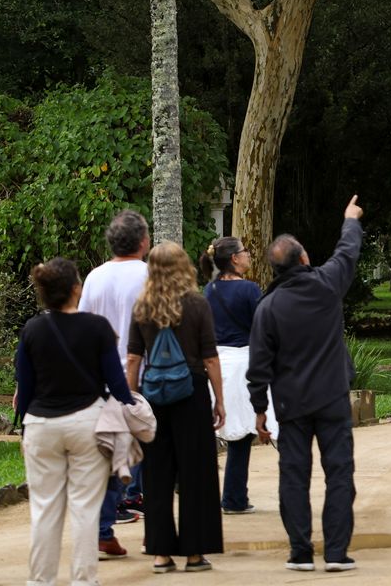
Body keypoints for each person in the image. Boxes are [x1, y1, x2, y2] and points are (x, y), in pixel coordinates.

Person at [247, 195, 364, 573]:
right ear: (302, 259)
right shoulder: (327, 285)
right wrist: (350, 219)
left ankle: (300, 552)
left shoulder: (268, 308)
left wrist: (259, 409)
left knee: (294, 476)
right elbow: (347, 252)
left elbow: (259, 364)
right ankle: (335, 553)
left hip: (290, 405)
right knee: (340, 473)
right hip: (331, 397)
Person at [14, 258, 139, 586]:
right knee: (85, 508)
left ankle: (40, 580)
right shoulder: (97, 327)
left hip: (41, 423)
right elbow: (117, 382)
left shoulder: (32, 329)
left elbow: (24, 388)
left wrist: (24, 429)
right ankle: (84, 579)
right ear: (75, 289)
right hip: (87, 421)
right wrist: (131, 409)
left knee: (44, 509)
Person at [124, 242, 226, 573]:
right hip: (191, 392)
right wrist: (219, 399)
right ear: (184, 267)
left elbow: (134, 358)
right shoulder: (197, 304)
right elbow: (210, 356)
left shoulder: (142, 306)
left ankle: (160, 552)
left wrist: (133, 398)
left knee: (156, 473)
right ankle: (195, 553)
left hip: (155, 395)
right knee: (196, 472)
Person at [79, 209, 149, 558]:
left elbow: (84, 324)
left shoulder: (94, 277)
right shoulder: (149, 275)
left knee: (109, 450)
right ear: (143, 241)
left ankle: (106, 524)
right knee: (146, 447)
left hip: (100, 375)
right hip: (143, 372)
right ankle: (143, 515)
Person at [200, 236, 272, 515]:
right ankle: (234, 497)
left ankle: (212, 494)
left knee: (220, 429)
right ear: (234, 259)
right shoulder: (250, 290)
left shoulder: (210, 290)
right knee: (241, 435)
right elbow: (263, 327)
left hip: (216, 364)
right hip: (243, 362)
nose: (249, 255)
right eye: (245, 251)